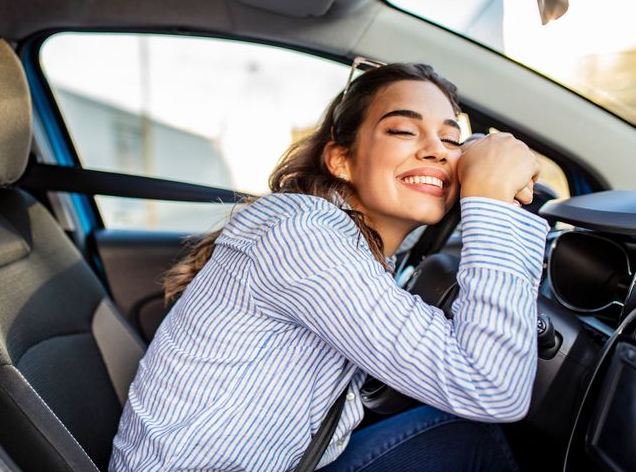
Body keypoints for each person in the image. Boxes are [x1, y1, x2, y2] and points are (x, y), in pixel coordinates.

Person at [109, 63, 548, 471]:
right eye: (402, 130)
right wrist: (489, 199)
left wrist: (485, 175)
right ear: (341, 160)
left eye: (451, 139)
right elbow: (493, 388)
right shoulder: (305, 234)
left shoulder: (354, 240)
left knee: (463, 437)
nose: (436, 151)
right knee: (474, 438)